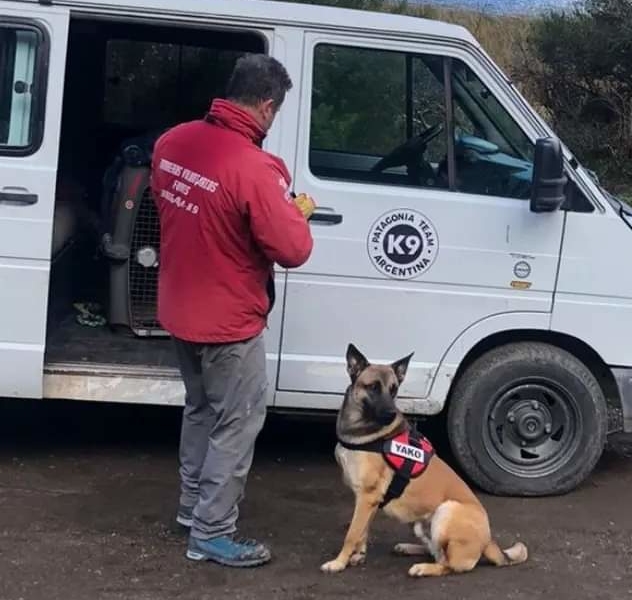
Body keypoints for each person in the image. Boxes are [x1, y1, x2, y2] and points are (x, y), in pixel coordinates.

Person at [150, 53, 315, 568]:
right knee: (237, 422)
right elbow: (292, 250)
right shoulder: (253, 167)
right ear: (267, 107)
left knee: (200, 411)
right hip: (228, 322)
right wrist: (295, 212)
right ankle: (213, 532)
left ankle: (191, 509)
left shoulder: (171, 142)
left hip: (179, 307)